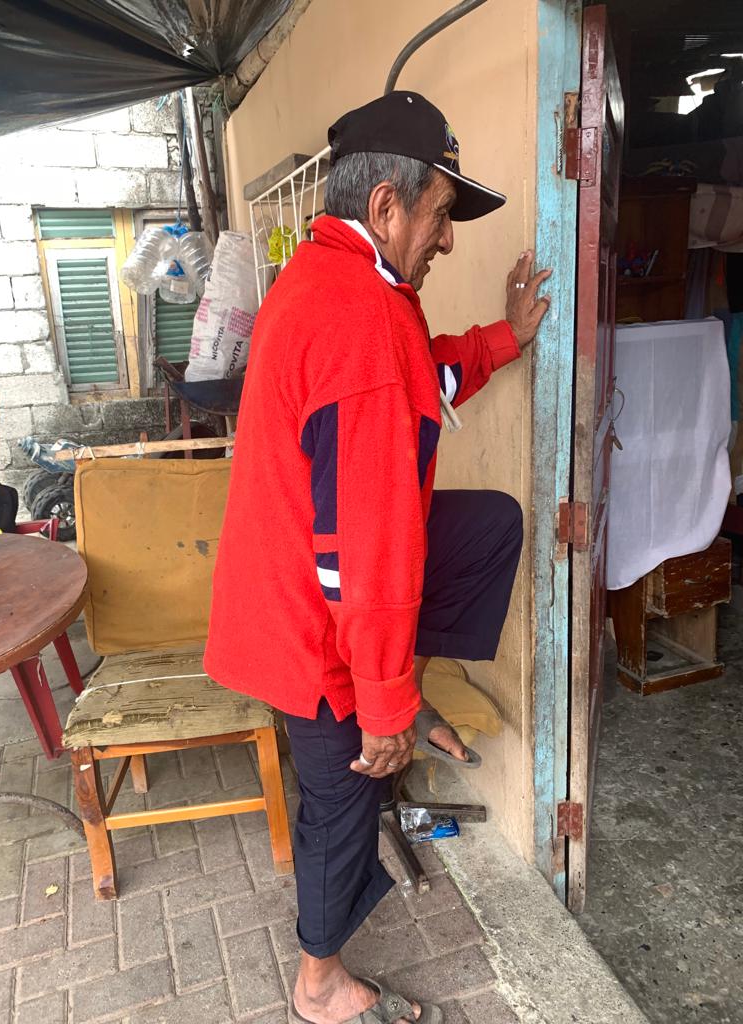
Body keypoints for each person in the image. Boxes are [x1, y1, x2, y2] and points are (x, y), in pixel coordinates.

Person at [205, 91, 551, 1024]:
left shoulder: (340, 280)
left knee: (486, 528)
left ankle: (398, 689)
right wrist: (383, 706)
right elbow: (361, 556)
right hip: (308, 623)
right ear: (387, 205)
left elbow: (421, 376)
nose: (447, 240)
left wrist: (504, 340)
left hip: (295, 584)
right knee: (343, 800)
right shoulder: (358, 316)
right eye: (441, 214)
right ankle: (319, 982)